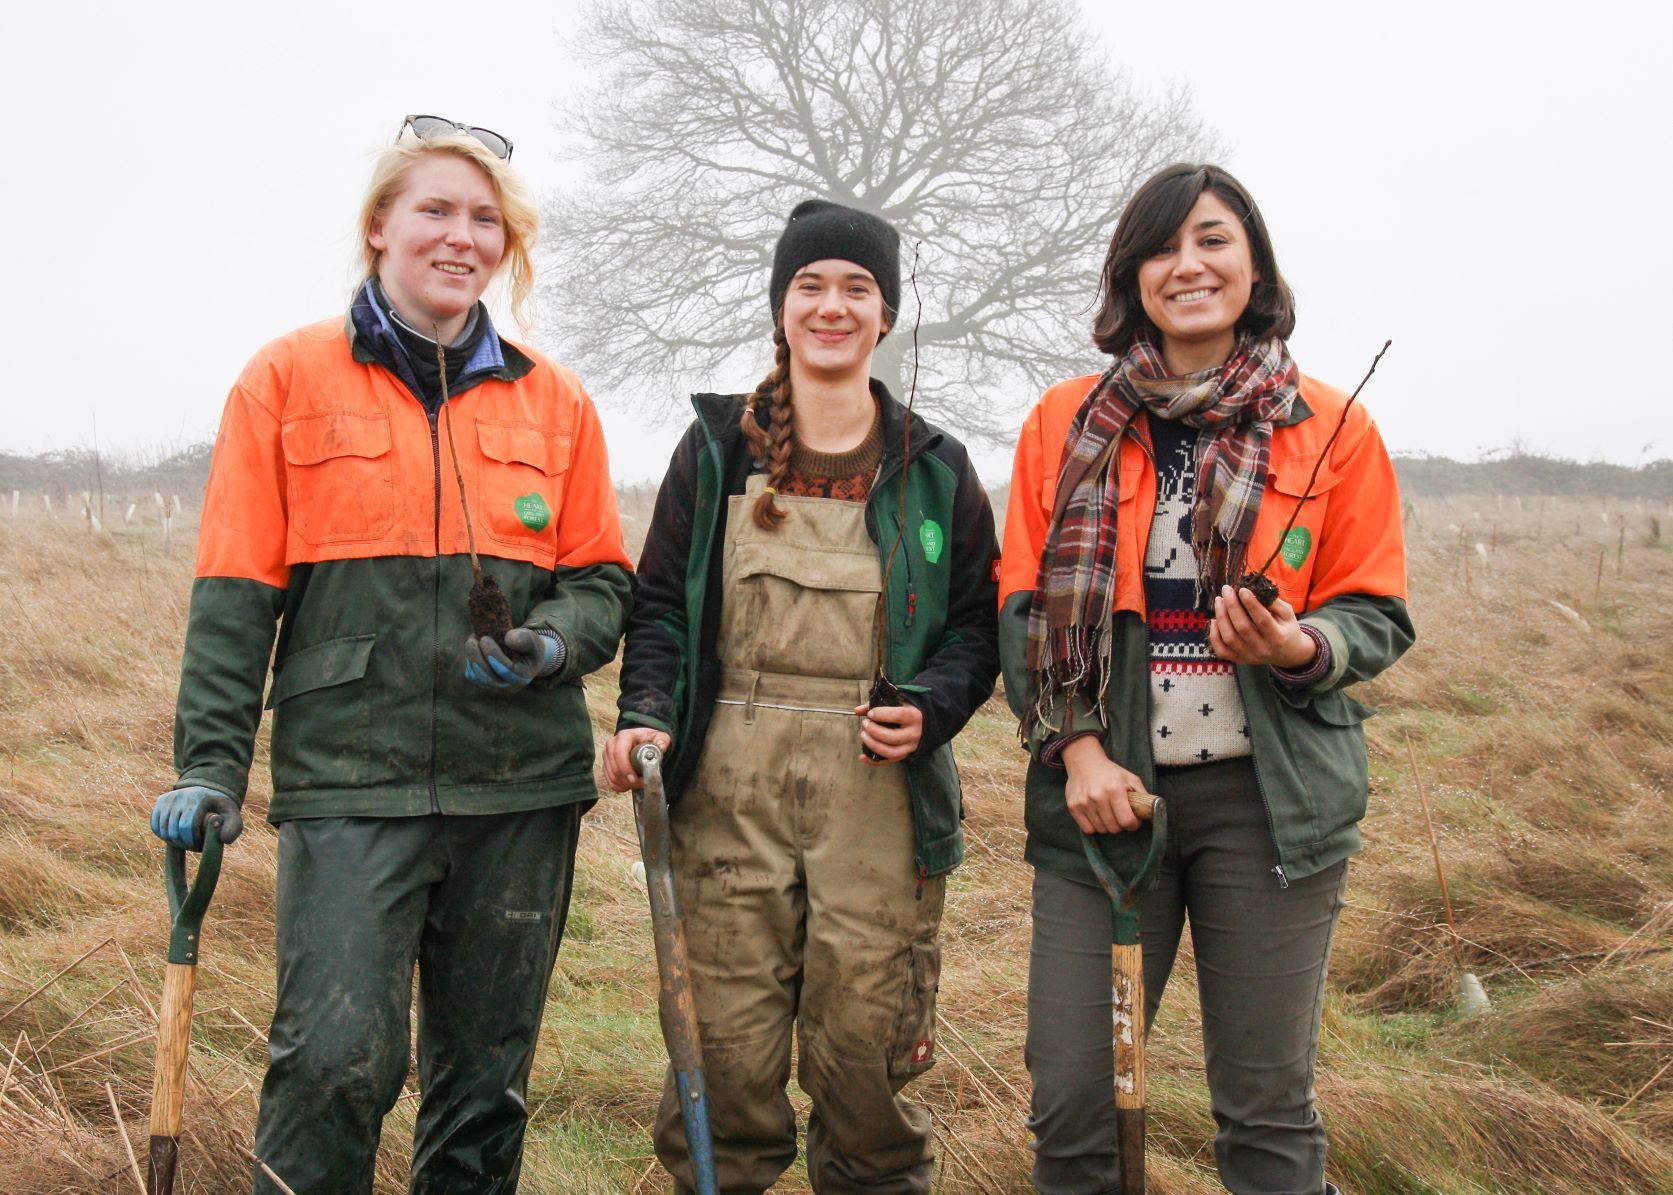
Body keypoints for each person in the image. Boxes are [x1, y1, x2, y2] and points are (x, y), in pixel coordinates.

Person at [148, 115, 633, 1194]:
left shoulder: (554, 400)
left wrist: (551, 643)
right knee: (331, 1063)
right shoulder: (284, 381)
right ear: (380, 227)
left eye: (484, 219)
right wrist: (209, 767)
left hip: (518, 788)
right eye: (436, 211)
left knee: (485, 1079)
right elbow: (234, 596)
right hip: (350, 779)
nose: (461, 237)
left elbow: (603, 579)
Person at [999, 163, 1413, 1195]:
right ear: (1129, 274)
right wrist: (1077, 750)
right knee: (1072, 1101)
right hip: (1104, 799)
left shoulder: (1330, 426)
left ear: (1253, 263)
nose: (1186, 264)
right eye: (1159, 246)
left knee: (1266, 1112)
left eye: (1212, 239)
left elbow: (1373, 609)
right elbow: (1021, 607)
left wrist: (1297, 647)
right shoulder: (1065, 421)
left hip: (1267, 804)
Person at [605, 199, 1000, 1194]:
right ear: (780, 309)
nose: (832, 305)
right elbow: (657, 605)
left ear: (886, 315)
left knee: (865, 1060)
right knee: (723, 1060)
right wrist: (643, 712)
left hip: (880, 795)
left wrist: (933, 703)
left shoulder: (935, 468)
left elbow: (978, 625)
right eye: (809, 286)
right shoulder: (713, 452)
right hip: (723, 793)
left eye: (856, 288)